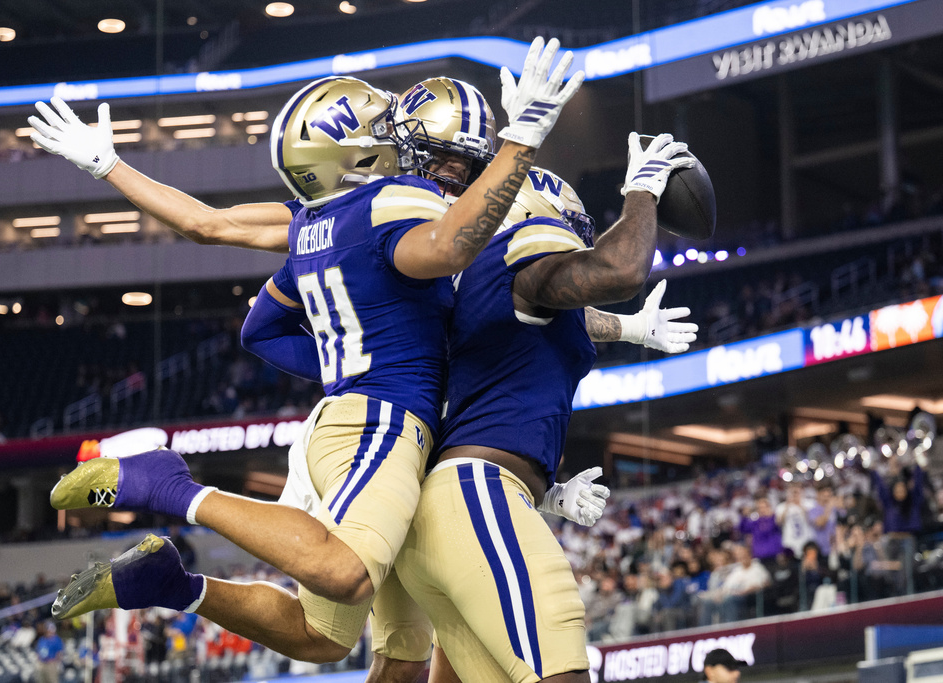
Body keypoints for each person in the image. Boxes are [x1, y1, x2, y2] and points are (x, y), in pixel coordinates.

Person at [44, 36, 584, 667]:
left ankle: (174, 585)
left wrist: (110, 166)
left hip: (364, 421)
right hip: (378, 424)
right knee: (352, 579)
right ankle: (172, 487)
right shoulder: (398, 202)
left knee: (325, 637)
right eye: (441, 156)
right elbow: (458, 252)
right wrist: (523, 140)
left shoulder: (318, 215)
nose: (449, 175)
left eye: (466, 164)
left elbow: (211, 231)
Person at [388, 138, 694, 682]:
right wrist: (641, 193)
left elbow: (557, 310)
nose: (571, 238)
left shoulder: (480, 288)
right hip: (479, 495)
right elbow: (618, 270)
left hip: (447, 510)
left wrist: (629, 329)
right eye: (568, 225)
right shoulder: (520, 246)